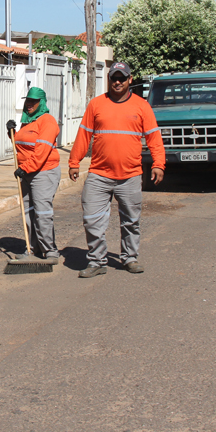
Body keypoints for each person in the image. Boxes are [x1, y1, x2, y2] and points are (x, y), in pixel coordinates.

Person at [68, 61, 166, 278]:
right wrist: (74, 161)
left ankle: (130, 258)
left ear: (130, 80)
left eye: (122, 78)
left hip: (130, 175)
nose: (118, 81)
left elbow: (154, 138)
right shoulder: (96, 105)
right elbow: (84, 134)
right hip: (99, 175)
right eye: (114, 77)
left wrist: (159, 164)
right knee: (92, 219)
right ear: (109, 79)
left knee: (131, 220)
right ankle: (97, 261)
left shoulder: (142, 106)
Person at [6, 87, 61, 264]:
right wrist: (12, 134)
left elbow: (42, 150)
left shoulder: (48, 121)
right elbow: (23, 146)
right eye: (27, 101)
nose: (29, 104)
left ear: (41, 103)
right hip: (27, 172)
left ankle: (50, 251)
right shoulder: (27, 121)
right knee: (28, 212)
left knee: (42, 212)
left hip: (44, 172)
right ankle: (32, 248)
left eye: (33, 101)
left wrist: (26, 167)